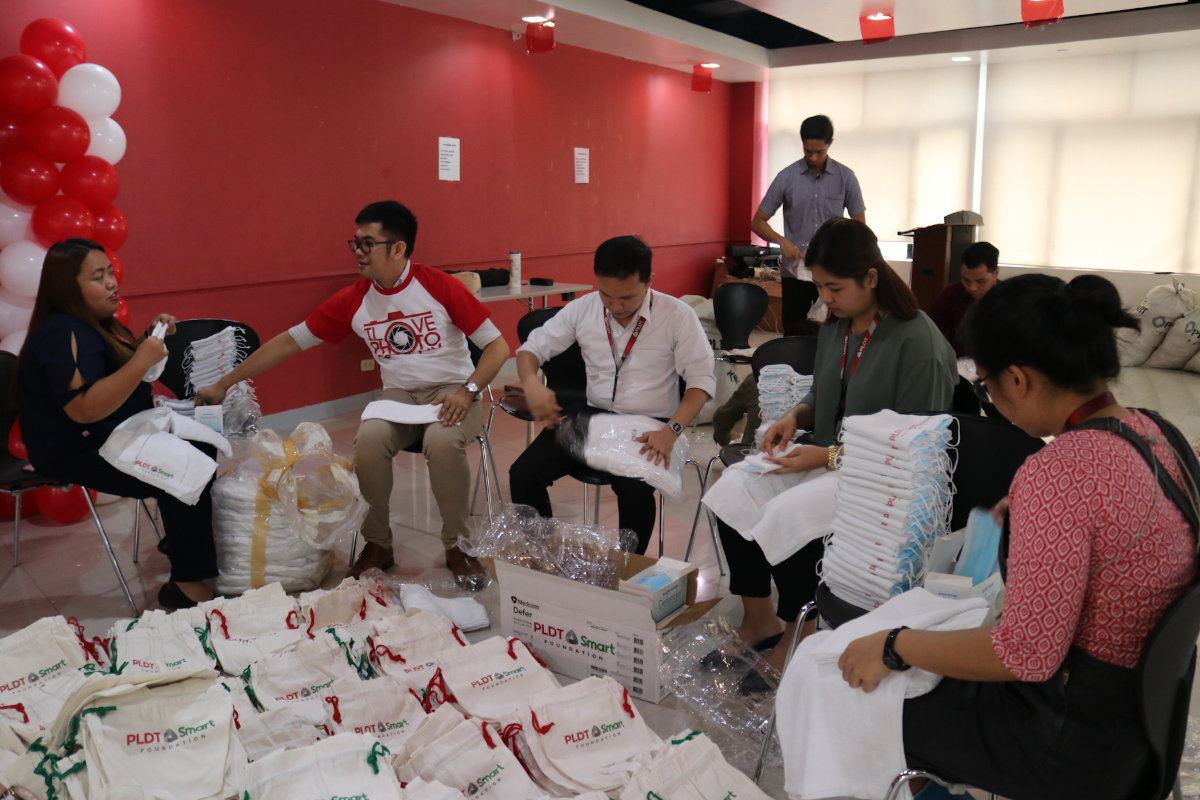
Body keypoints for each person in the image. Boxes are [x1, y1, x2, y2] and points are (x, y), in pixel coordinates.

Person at [837, 274, 1199, 800]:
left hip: (1069, 744)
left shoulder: (1058, 471)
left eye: (986, 384)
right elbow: (1128, 526)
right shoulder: (1158, 433)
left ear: (1018, 380)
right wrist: (1041, 518)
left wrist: (894, 646)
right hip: (1146, 727)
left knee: (863, 691)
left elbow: (1026, 656)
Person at [702, 218, 956, 694]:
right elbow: (826, 392)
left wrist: (825, 457)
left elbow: (912, 445)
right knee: (729, 490)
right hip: (832, 454)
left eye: (834, 287)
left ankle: (801, 632)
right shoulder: (840, 324)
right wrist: (794, 417)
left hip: (882, 479)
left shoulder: (917, 342)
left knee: (785, 516)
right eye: (819, 286)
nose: (826, 298)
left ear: (872, 278)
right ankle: (759, 620)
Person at [197, 201, 509, 588]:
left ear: (398, 248)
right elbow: (288, 343)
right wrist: (225, 382)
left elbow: (497, 347)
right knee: (369, 442)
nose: (358, 252)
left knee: (443, 443)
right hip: (399, 394)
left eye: (367, 243)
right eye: (355, 243)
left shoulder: (439, 286)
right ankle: (379, 543)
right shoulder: (355, 298)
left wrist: (468, 390)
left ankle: (457, 545)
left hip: (454, 389)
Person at [17, 238, 216, 609]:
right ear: (68, 287)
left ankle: (183, 539)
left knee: (203, 446)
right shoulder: (63, 334)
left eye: (109, 272)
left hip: (110, 432)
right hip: (75, 449)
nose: (112, 282)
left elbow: (112, 369)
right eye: (98, 276)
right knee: (184, 470)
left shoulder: (91, 323)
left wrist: (147, 339)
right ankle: (185, 584)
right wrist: (141, 360)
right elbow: (84, 409)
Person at [508, 235, 715, 554]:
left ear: (649, 281)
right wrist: (532, 384)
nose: (616, 306)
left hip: (651, 425)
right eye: (606, 295)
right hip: (593, 418)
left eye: (627, 298)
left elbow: (701, 383)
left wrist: (670, 431)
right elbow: (531, 349)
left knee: (635, 494)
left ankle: (628, 569)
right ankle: (542, 554)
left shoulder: (677, 316)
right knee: (523, 473)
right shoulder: (584, 308)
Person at [752, 114, 866, 336]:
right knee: (794, 332)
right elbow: (757, 222)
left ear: (830, 144)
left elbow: (859, 227)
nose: (813, 157)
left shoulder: (845, 177)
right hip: (795, 273)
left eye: (819, 152)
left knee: (835, 332)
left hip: (833, 271)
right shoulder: (787, 177)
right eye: (807, 151)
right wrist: (782, 241)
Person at [929, 241, 1000, 356]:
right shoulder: (950, 294)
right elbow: (932, 333)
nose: (972, 288)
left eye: (980, 281)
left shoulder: (1008, 298)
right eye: (966, 280)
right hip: (958, 365)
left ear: (996, 273)